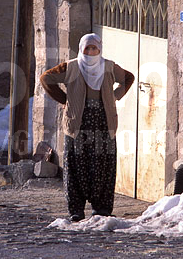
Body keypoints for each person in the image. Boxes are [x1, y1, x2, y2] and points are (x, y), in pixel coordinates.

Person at [39, 33, 134, 221]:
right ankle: (76, 210)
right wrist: (65, 99)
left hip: (103, 122)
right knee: (76, 165)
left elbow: (128, 78)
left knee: (103, 165)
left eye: (94, 48)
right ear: (81, 49)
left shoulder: (108, 67)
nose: (91, 52)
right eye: (87, 48)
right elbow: (46, 78)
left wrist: (115, 95)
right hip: (78, 124)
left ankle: (102, 209)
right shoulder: (72, 66)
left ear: (100, 48)